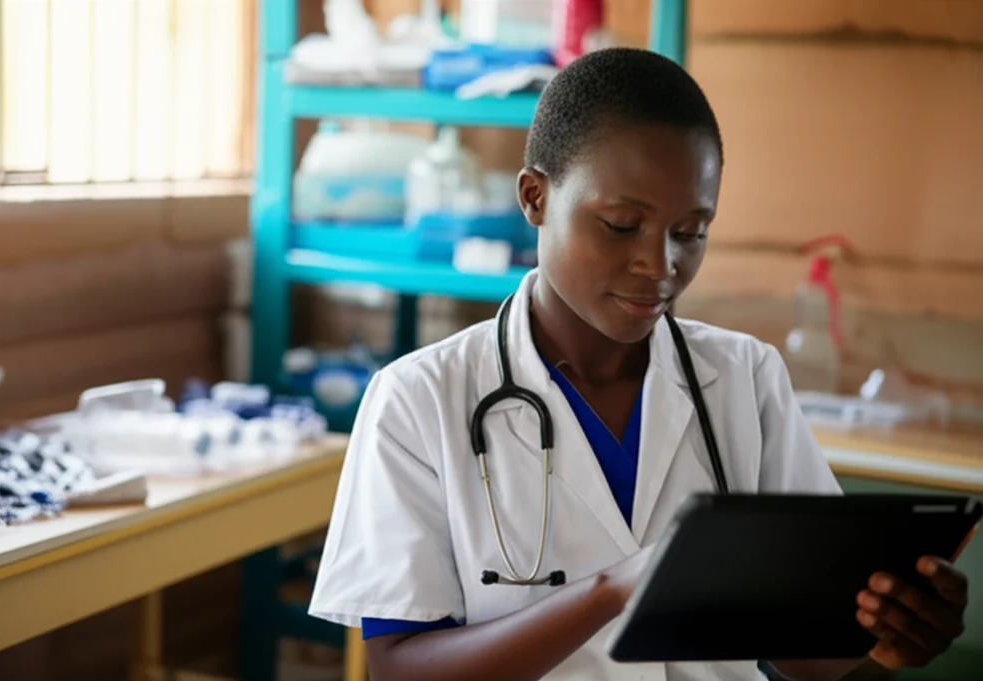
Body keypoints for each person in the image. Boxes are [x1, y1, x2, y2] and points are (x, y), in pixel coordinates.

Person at [308, 48, 970, 681]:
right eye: (623, 224)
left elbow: (808, 657)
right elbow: (399, 667)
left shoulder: (745, 377)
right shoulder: (419, 399)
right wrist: (612, 589)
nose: (660, 264)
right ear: (535, 197)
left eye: (691, 230)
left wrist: (888, 629)